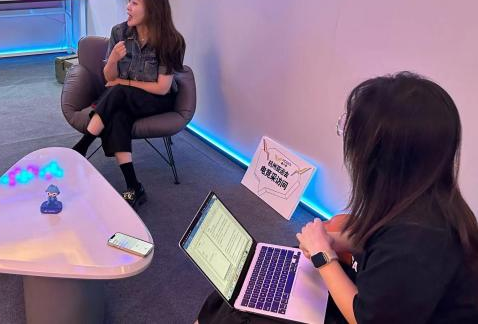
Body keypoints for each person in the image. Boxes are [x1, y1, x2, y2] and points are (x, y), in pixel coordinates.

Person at [197, 72, 478, 323]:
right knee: (241, 294)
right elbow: (386, 249)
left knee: (235, 311)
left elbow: (367, 317)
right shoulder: (424, 199)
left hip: (368, 313)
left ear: (381, 157)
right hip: (384, 302)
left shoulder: (418, 239)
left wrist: (324, 256)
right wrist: (337, 242)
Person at [71, 0, 186, 206]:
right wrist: (113, 59)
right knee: (118, 115)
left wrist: (124, 82)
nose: (128, 7)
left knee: (120, 92)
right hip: (125, 97)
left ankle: (82, 146)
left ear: (152, 9)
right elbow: (109, 78)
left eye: (134, 3)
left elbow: (162, 88)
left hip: (158, 100)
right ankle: (134, 186)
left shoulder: (171, 41)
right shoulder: (119, 32)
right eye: (129, 1)